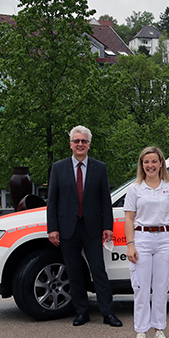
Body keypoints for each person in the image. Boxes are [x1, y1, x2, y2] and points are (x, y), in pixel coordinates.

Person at [47, 125, 121, 327]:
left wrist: (108, 226)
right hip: (67, 229)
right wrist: (52, 228)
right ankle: (81, 312)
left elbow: (106, 200)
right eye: (77, 141)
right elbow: (52, 201)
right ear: (70, 144)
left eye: (84, 141)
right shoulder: (58, 168)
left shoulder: (100, 168)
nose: (80, 144)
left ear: (89, 145)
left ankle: (108, 313)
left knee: (98, 270)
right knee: (74, 272)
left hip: (92, 228)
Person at [124, 147, 169, 338]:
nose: (150, 165)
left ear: (160, 164)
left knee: (161, 287)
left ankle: (159, 330)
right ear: (142, 165)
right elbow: (129, 219)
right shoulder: (135, 189)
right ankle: (141, 332)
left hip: (165, 239)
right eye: (146, 162)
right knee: (140, 287)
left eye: (154, 161)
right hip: (142, 238)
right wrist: (130, 244)